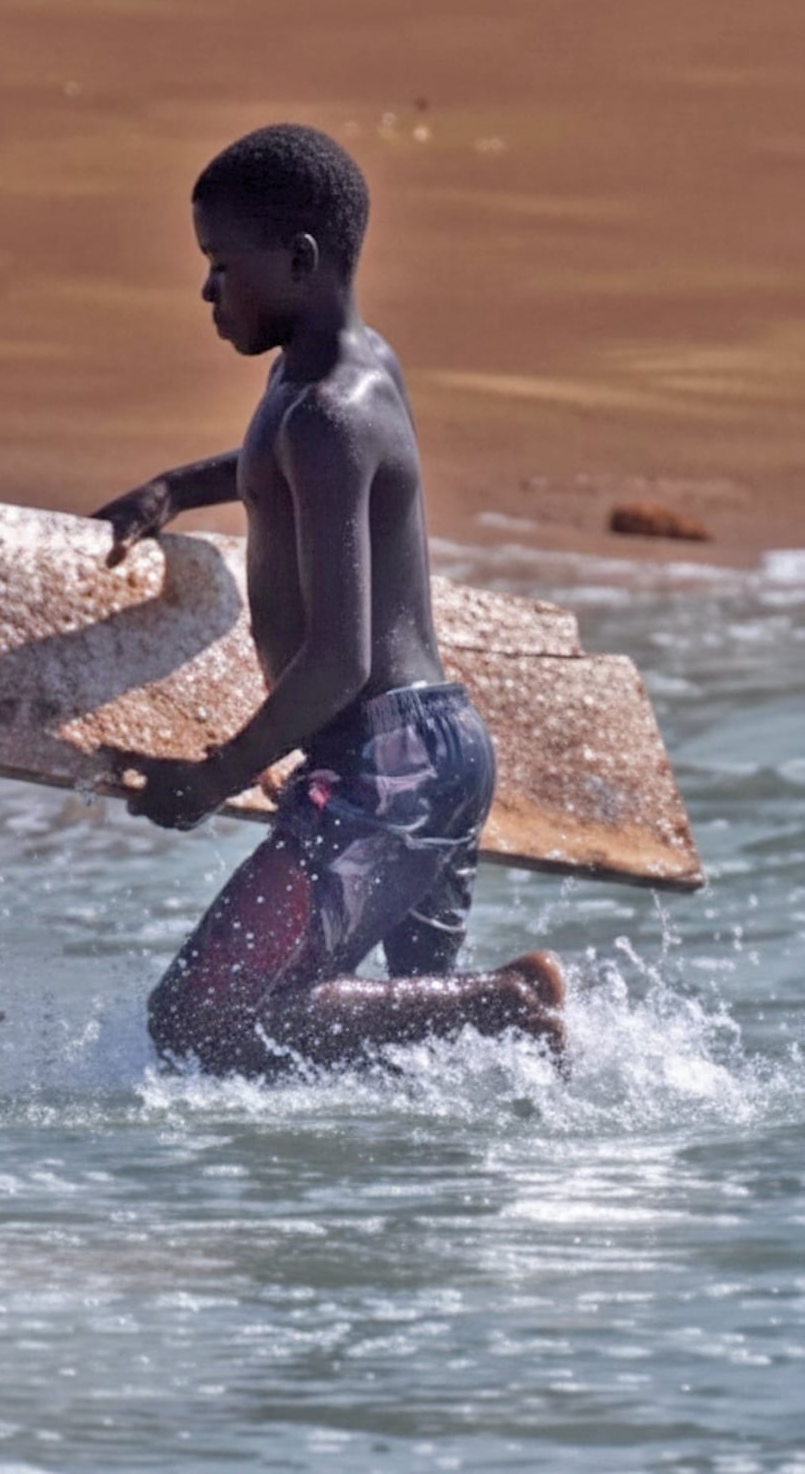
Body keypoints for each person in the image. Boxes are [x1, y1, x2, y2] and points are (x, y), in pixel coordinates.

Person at [94, 124, 564, 1076]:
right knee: (396, 1061)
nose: (207, 291)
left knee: (197, 1023)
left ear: (299, 259)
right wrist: (176, 488)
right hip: (434, 752)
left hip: (382, 764)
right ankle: (486, 1036)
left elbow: (340, 659)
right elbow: (282, 474)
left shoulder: (326, 417)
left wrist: (215, 776)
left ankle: (507, 1004)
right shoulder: (342, 375)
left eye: (223, 266)